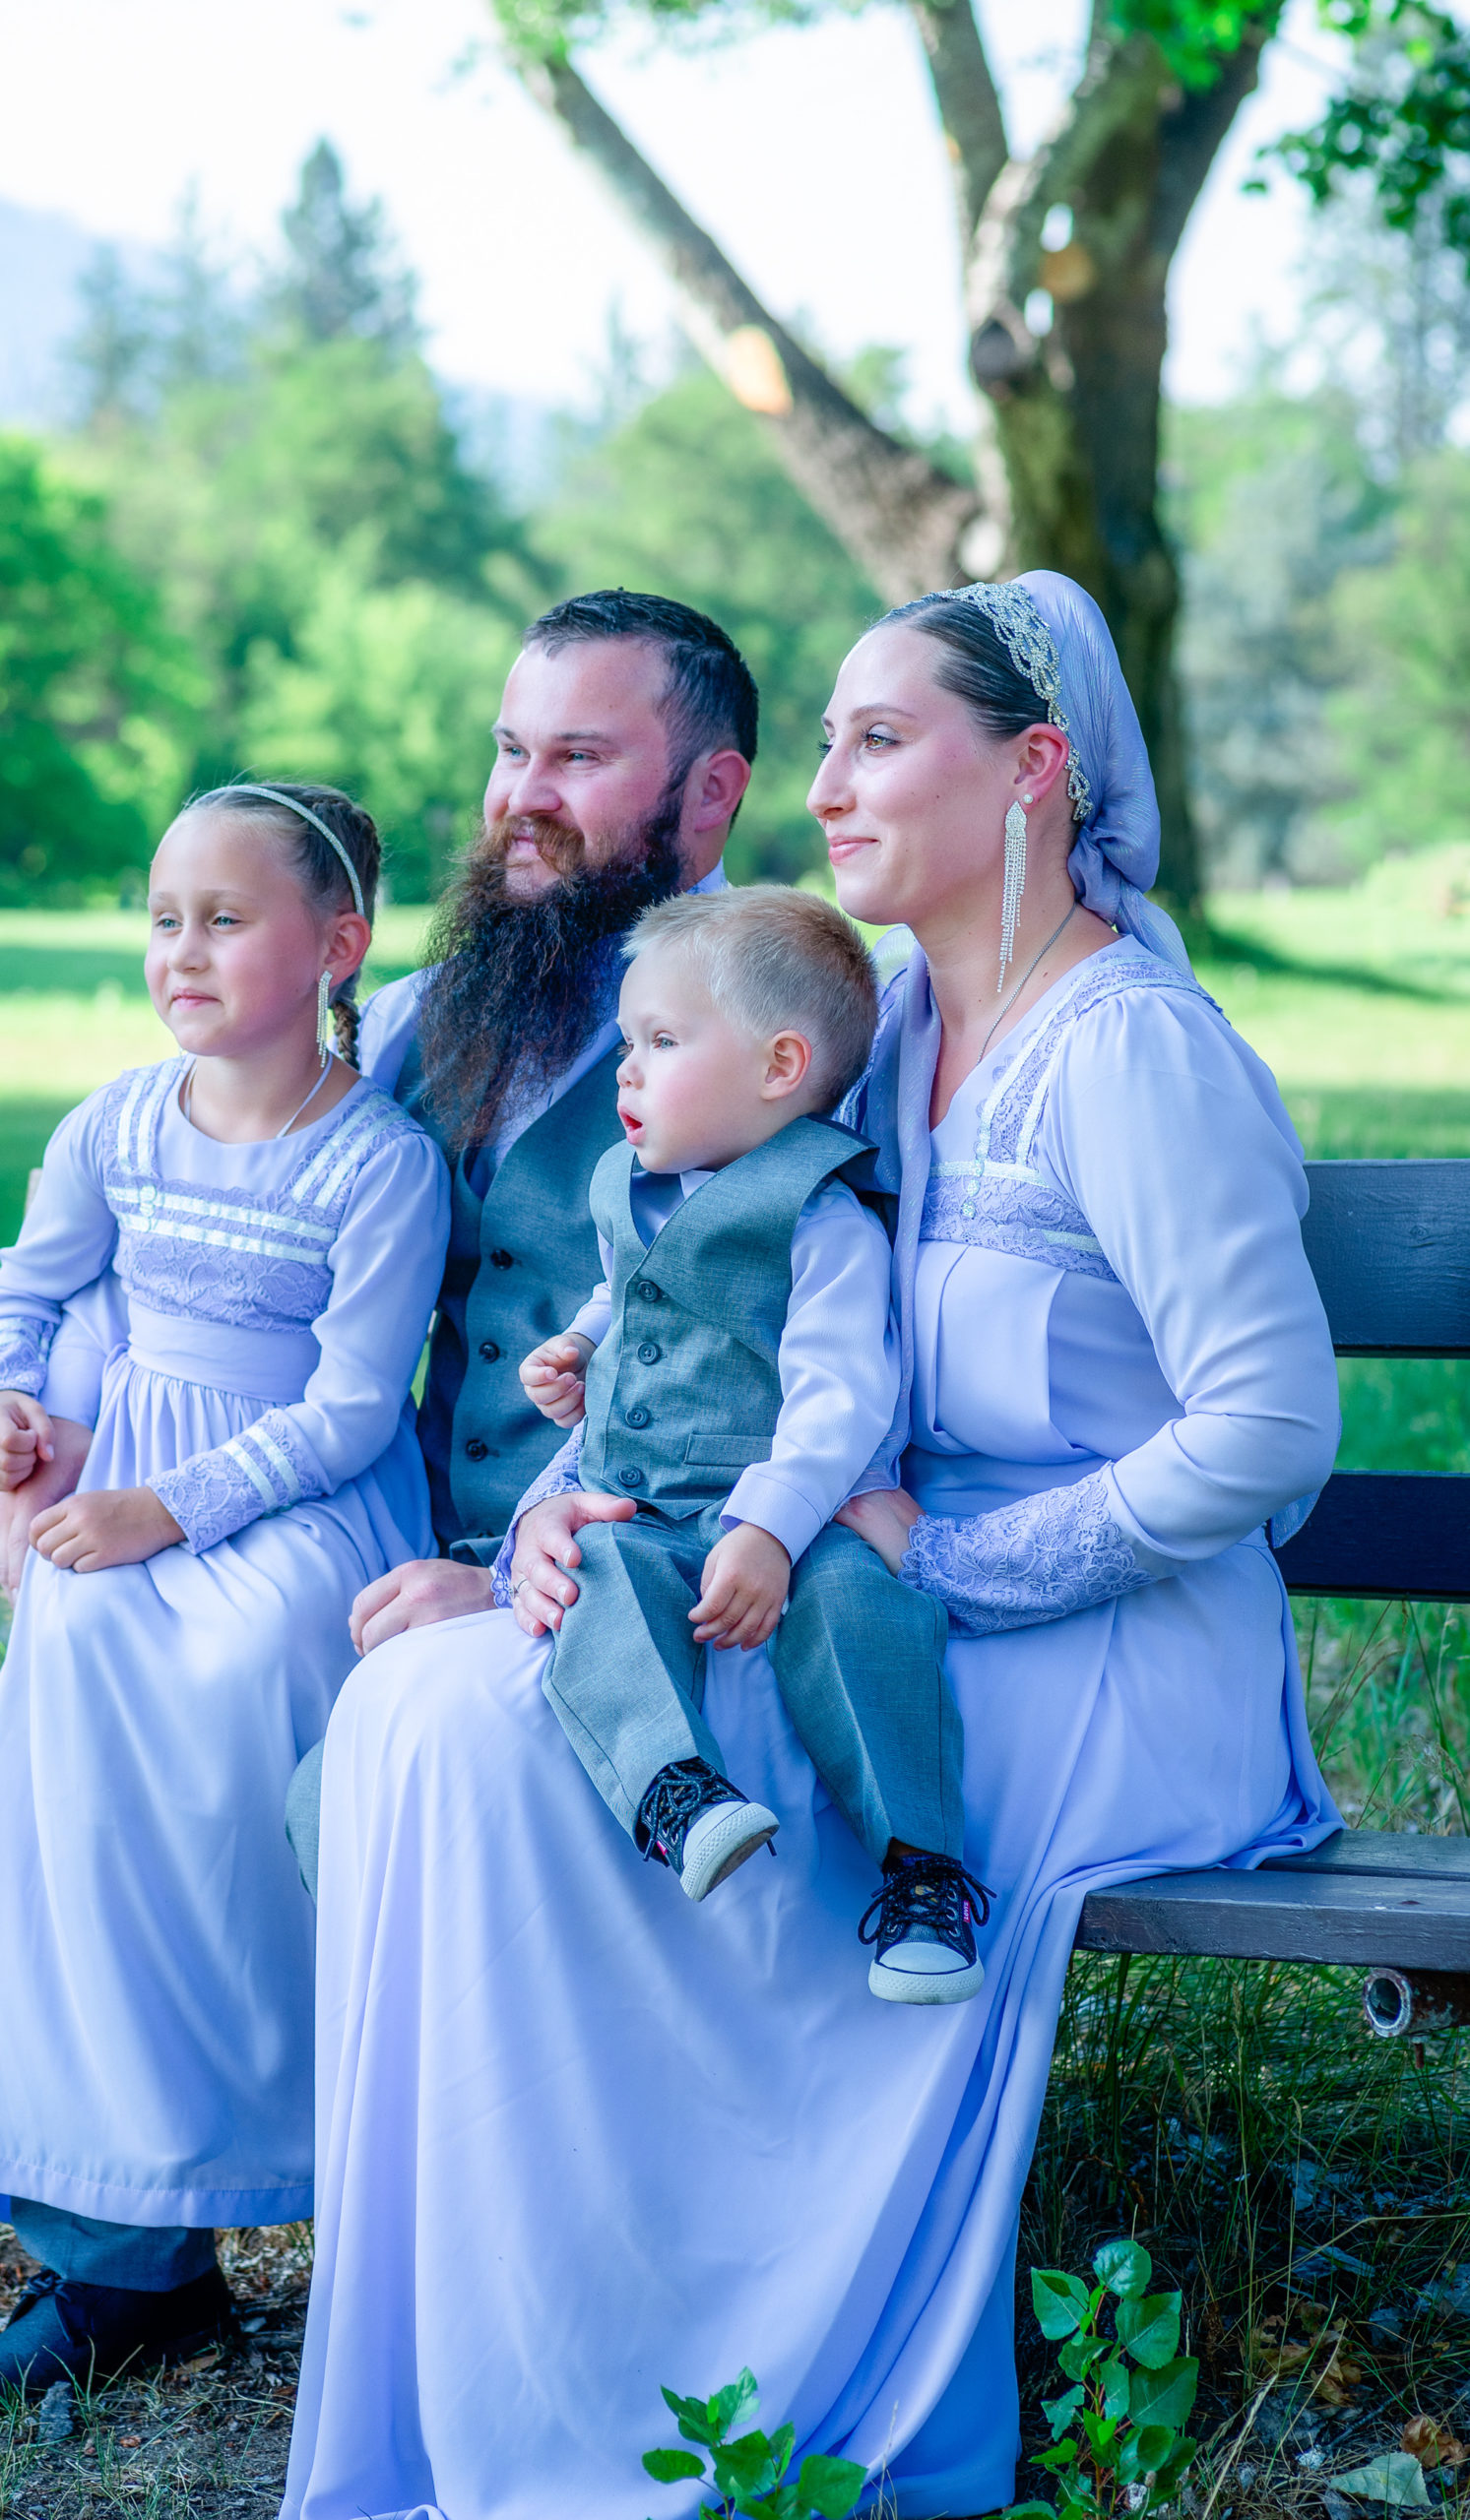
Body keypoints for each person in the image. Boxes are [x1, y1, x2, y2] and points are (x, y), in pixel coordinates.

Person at [279, 576, 1340, 2520]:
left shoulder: (1127, 1052)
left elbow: (1267, 1437)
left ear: (1030, 769)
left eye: (875, 738)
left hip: (1102, 1648)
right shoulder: (882, 1024)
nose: (824, 784)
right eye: (828, 739)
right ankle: (538, 2358)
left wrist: (956, 1560)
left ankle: (713, 2378)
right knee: (434, 1706)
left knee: (505, 1741)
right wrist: (547, 1518)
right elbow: (700, 1316)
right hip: (849, 1585)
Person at [0, 782, 449, 2424]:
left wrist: (170, 1507)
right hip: (115, 1502)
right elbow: (30, 1289)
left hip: (285, 1514)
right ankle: (115, 2247)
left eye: (225, 918)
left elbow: (355, 1407)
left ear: (335, 944)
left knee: (232, 1683)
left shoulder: (378, 1160)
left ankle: (292, 2160)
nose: (182, 950)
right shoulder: (116, 1125)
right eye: (162, 918)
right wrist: (8, 1409)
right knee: (66, 1670)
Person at [282, 590, 758, 1883]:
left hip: (648, 1583)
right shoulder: (407, 1022)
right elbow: (251, 1233)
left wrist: (497, 1583)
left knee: (393, 1771)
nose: (520, 798)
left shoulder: (782, 1033)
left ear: (710, 794)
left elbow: (757, 1380)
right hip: (397, 1542)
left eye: (579, 758)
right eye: (510, 750)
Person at [514, 886, 975, 1999]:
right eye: (627, 1041)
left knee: (859, 1604)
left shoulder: (817, 1216)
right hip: (646, 1501)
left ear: (778, 1067)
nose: (626, 1069)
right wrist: (578, 1344)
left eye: (662, 1041)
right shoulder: (636, 1185)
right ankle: (677, 1794)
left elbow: (837, 1393)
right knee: (597, 1580)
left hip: (790, 1504)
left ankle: (922, 1872)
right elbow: (626, 1289)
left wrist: (769, 1528)